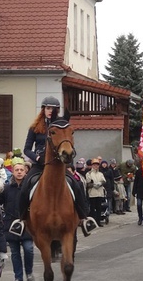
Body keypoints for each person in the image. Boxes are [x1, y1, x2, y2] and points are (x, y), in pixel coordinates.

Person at [10, 97, 96, 237]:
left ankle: (84, 218)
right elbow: (26, 149)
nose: (50, 111)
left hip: (60, 164)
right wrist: (37, 157)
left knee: (77, 183)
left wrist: (69, 165)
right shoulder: (35, 128)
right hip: (40, 164)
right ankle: (21, 221)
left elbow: (68, 145)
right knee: (25, 185)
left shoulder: (62, 125)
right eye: (48, 108)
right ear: (43, 109)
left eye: (53, 109)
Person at [0, 158, 35, 281]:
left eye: (21, 170)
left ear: (25, 172)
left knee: (28, 249)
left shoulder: (30, 188)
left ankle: (29, 273)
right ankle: (18, 277)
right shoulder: (7, 188)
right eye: (16, 170)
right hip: (11, 224)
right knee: (15, 253)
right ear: (12, 172)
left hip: (27, 224)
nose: (19, 172)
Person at [86, 159, 107, 227]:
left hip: (100, 193)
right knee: (92, 209)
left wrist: (100, 183)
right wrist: (94, 184)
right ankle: (92, 222)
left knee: (99, 208)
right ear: (92, 165)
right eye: (94, 165)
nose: (95, 166)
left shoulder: (100, 173)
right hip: (92, 193)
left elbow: (104, 181)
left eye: (97, 165)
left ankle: (98, 222)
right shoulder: (88, 174)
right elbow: (88, 183)